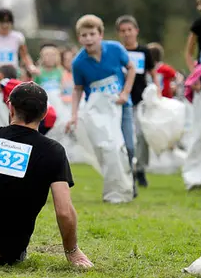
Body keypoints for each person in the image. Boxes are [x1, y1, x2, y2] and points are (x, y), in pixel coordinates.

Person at [0, 82, 93, 268]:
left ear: (10, 108)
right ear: (44, 113)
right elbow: (64, 211)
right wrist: (72, 251)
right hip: (9, 254)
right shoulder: (53, 152)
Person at [66, 14, 137, 193]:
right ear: (79, 38)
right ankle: (116, 185)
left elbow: (131, 68)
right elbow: (77, 89)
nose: (88, 39)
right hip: (99, 112)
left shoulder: (115, 49)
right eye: (84, 35)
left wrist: (125, 92)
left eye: (92, 34)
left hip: (122, 105)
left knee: (128, 146)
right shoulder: (78, 63)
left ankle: (130, 180)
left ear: (100, 35)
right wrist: (74, 115)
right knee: (109, 148)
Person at [116, 15, 158, 187]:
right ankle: (127, 169)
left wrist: (157, 90)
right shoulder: (118, 51)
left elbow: (153, 72)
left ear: (136, 31)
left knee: (142, 136)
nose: (127, 34)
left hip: (141, 99)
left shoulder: (144, 51)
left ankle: (140, 169)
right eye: (123, 31)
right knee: (126, 137)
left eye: (129, 30)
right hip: (122, 99)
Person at [0, 8, 37, 88]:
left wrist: (31, 67)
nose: (5, 25)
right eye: (2, 22)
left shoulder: (18, 37)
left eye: (7, 22)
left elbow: (25, 56)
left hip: (11, 83)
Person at [0, 65, 57, 135]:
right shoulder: (10, 89)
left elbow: (1, 83)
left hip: (45, 115)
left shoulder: (6, 82)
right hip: (48, 116)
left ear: (0, 76)